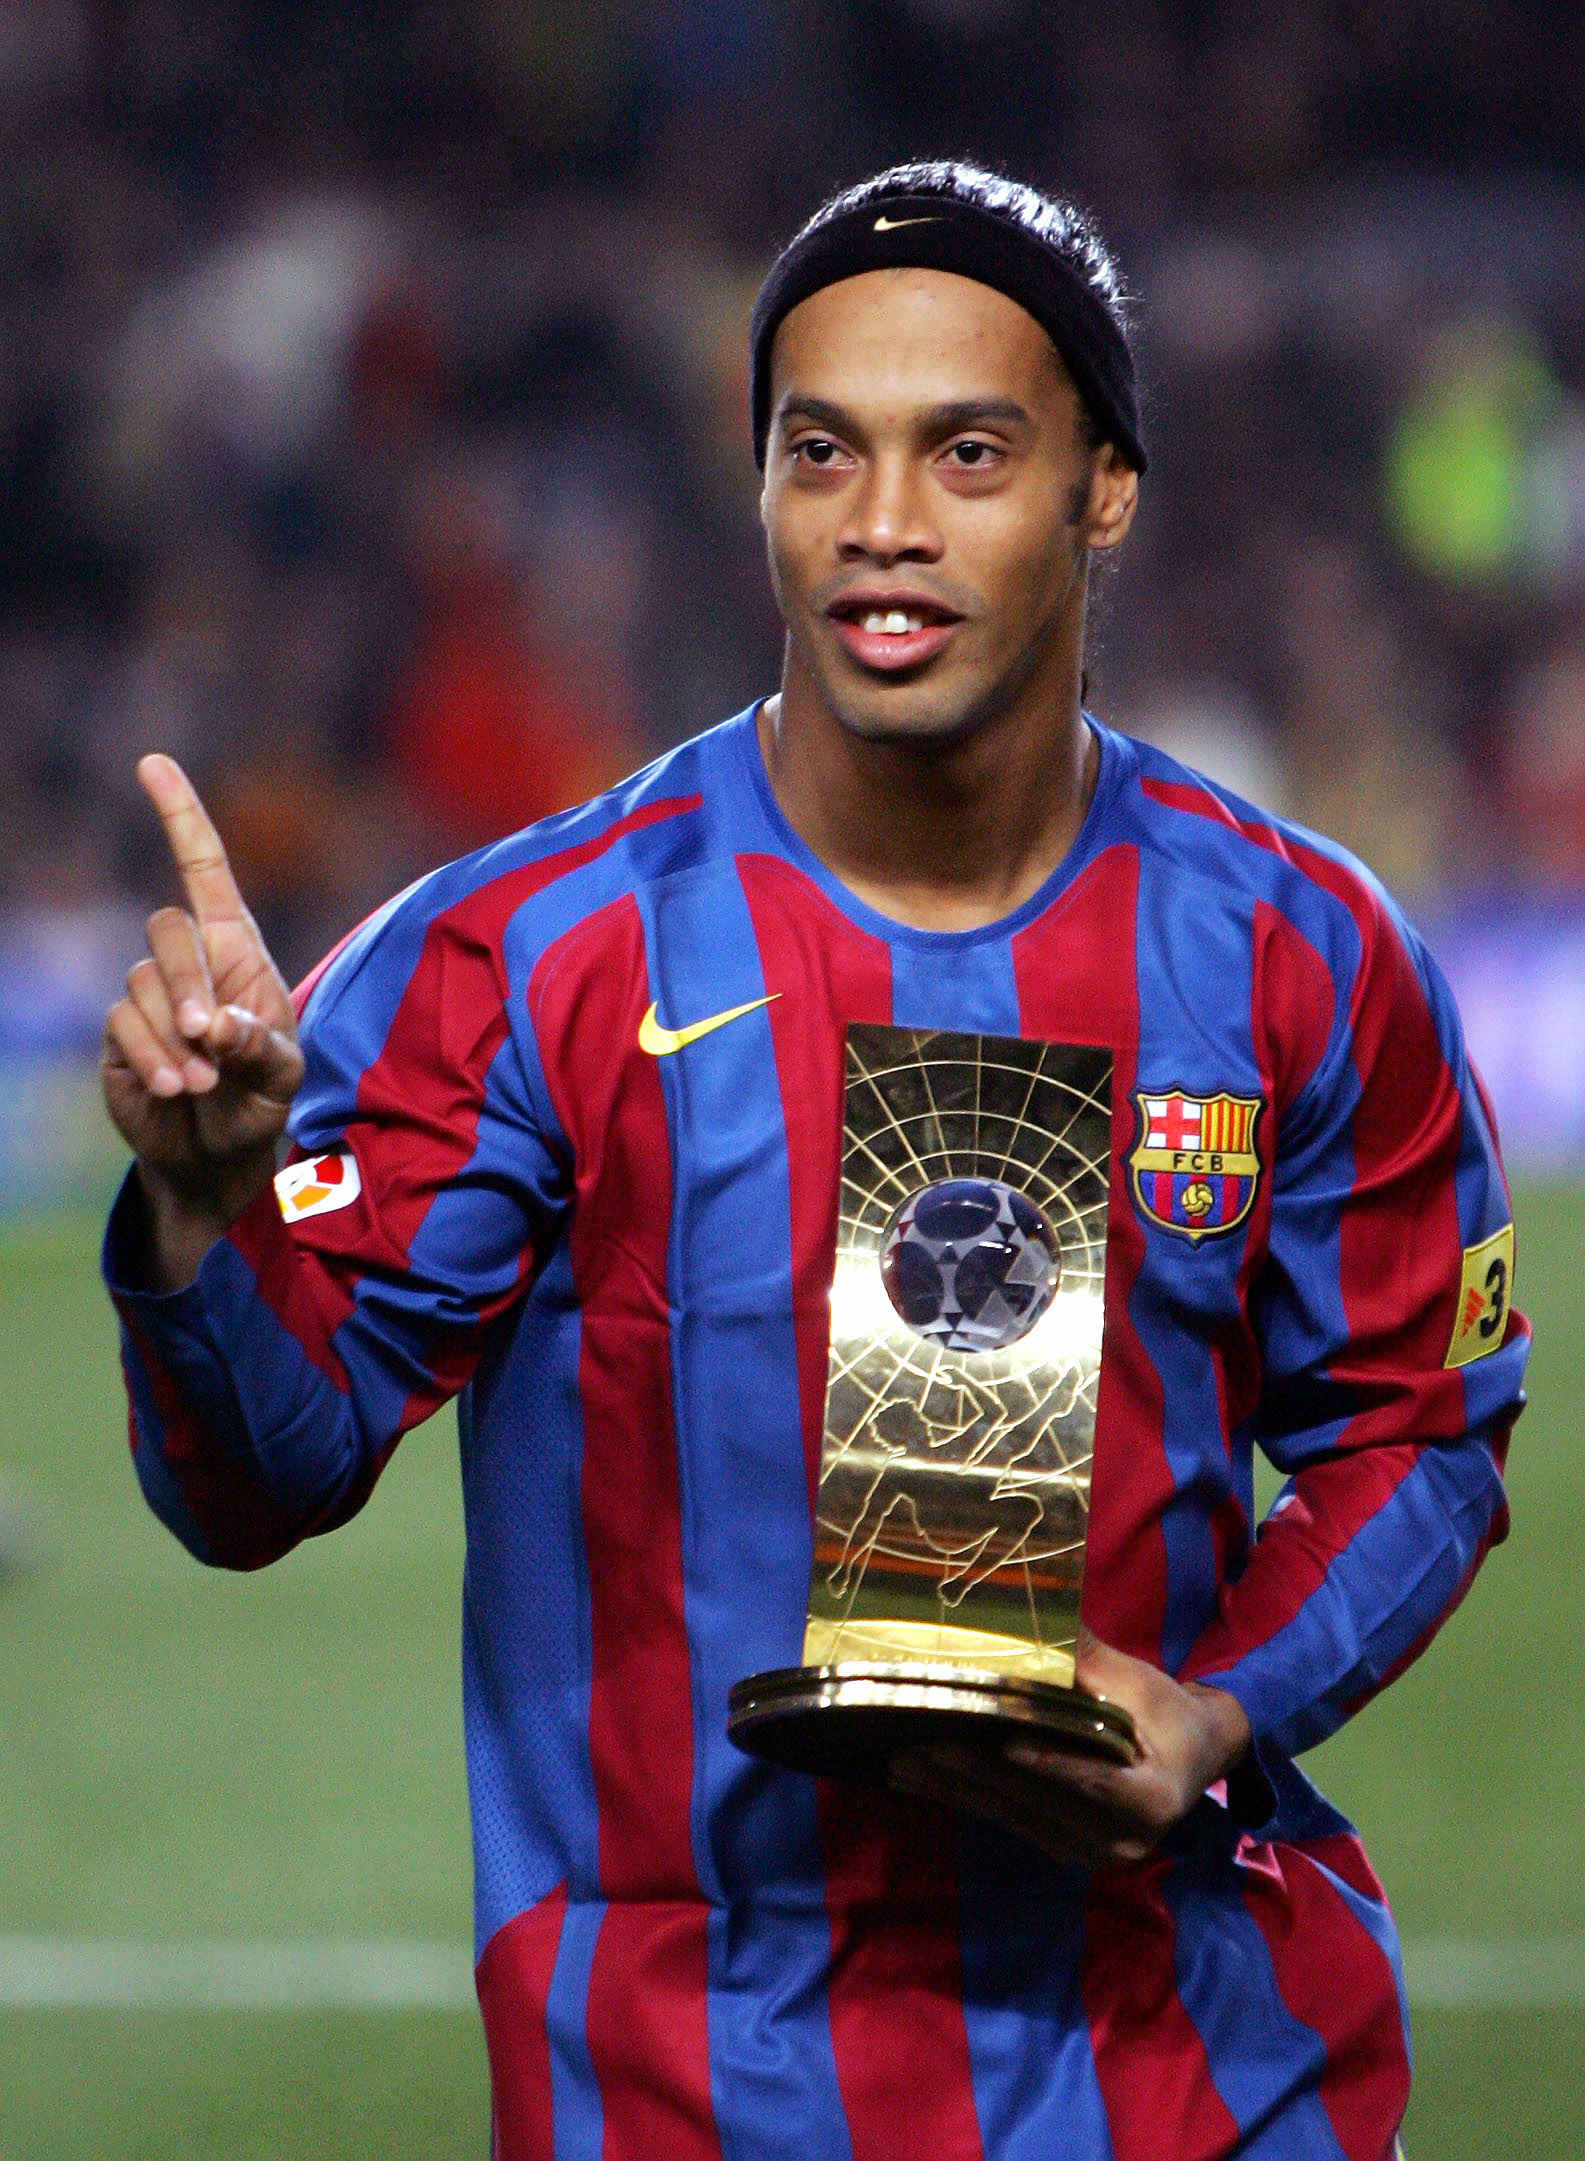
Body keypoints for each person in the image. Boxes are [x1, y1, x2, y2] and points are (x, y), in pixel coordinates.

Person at [100, 162, 1527, 2160]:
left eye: (966, 451)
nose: (882, 524)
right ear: (759, 485)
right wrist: (203, 1204)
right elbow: (255, 1479)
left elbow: (1418, 1434)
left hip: (1193, 2071)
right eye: (819, 451)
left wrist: (1214, 1712)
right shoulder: (526, 956)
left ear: (1101, 488)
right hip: (688, 2090)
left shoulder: (1298, 947)